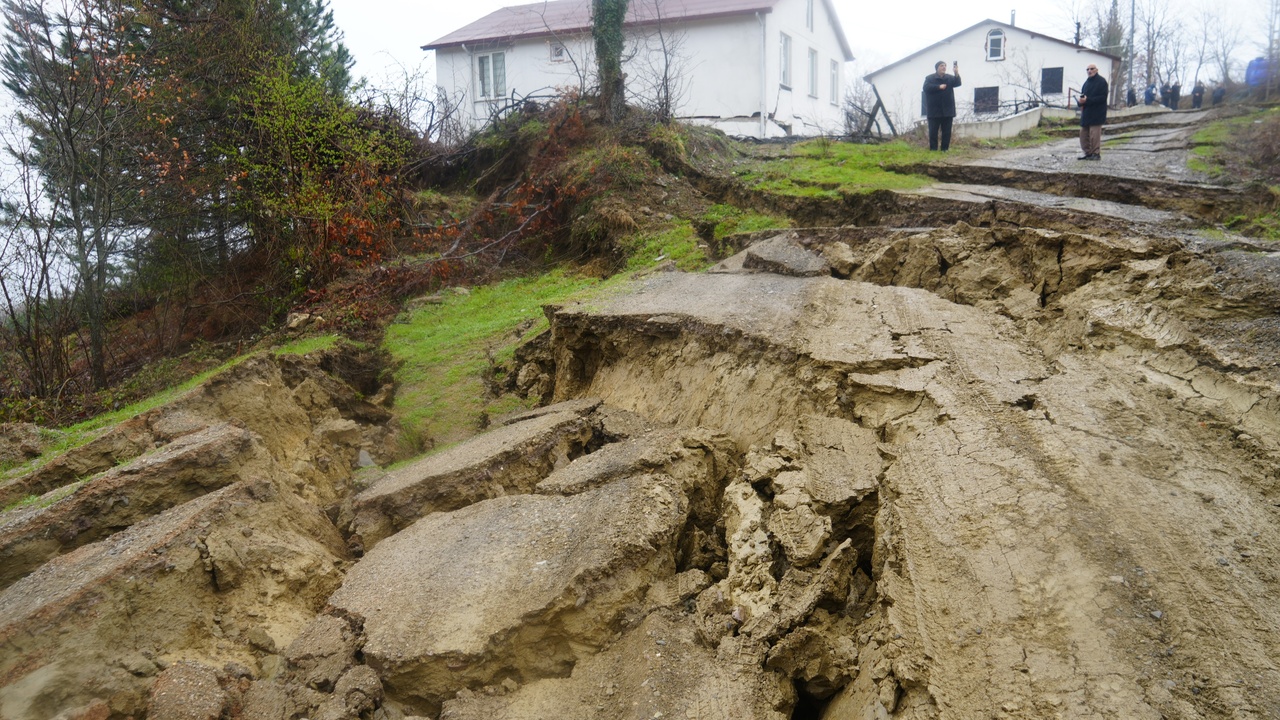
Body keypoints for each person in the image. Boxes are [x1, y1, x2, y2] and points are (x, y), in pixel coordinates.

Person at [923, 60, 961, 151]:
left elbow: (958, 83)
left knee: (947, 132)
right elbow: (926, 88)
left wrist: (956, 73)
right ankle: (933, 149)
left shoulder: (950, 78)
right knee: (933, 132)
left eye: (945, 66)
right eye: (941, 66)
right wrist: (938, 87)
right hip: (934, 110)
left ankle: (945, 149)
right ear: (937, 68)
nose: (944, 67)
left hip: (947, 110)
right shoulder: (929, 78)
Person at [1077, 63, 1108, 160]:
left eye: (1091, 69)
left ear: (1096, 70)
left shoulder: (1102, 82)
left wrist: (1088, 100)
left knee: (1094, 135)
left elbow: (1103, 98)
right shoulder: (1086, 83)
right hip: (1086, 113)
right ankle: (1087, 153)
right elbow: (1083, 97)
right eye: (1087, 69)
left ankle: (1096, 153)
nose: (1089, 71)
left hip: (1097, 113)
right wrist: (1080, 102)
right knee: (1083, 134)